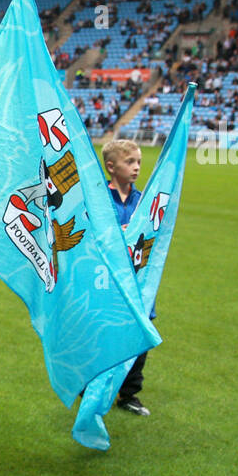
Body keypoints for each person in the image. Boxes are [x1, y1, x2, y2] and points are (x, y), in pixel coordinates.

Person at [102, 137, 154, 417]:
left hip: (138, 281)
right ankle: (95, 383)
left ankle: (129, 394)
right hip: (106, 281)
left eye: (138, 162)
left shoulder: (144, 200)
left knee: (139, 336)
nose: (136, 168)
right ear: (111, 166)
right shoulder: (99, 199)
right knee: (104, 332)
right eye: (129, 162)